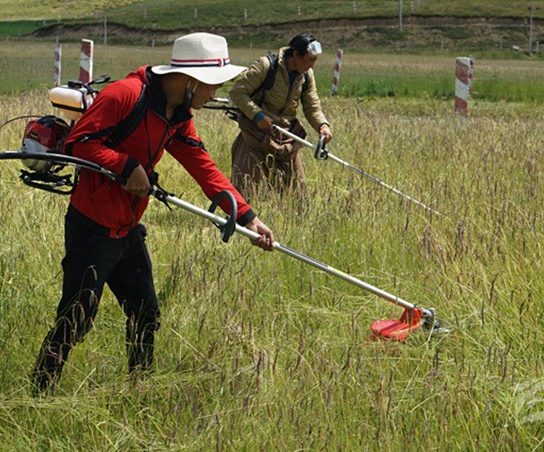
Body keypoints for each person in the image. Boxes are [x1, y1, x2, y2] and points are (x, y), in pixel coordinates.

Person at [31, 32, 275, 393]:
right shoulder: (125, 95)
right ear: (191, 80)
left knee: (145, 314)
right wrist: (126, 165)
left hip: (128, 229)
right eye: (213, 85)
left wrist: (247, 217)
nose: (214, 95)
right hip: (92, 228)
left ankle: (139, 388)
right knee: (76, 318)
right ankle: (40, 390)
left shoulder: (177, 115)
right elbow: (77, 144)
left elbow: (204, 168)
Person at [228, 32, 333, 195]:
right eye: (309, 60)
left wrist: (322, 126)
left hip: (286, 140)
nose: (312, 65)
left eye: (314, 61)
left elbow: (312, 106)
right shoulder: (266, 66)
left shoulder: (306, 75)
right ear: (295, 53)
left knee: (297, 197)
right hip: (256, 135)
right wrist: (258, 115)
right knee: (244, 193)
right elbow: (237, 93)